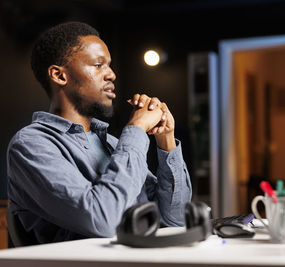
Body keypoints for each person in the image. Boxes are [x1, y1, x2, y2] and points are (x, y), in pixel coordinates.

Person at [6, 21, 192, 244]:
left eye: (110, 66)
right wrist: (136, 130)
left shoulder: (113, 144)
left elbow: (175, 220)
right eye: (98, 65)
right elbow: (104, 221)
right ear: (59, 75)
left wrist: (166, 140)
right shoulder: (31, 145)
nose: (111, 74)